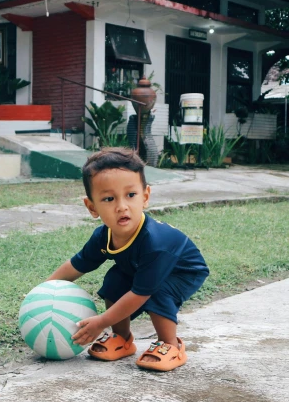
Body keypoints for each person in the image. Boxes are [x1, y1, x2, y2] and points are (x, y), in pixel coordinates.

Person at [46, 147, 209, 371]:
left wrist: (101, 322)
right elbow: (77, 265)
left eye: (130, 195)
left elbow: (141, 294)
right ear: (92, 207)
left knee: (157, 291)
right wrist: (45, 289)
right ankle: (122, 338)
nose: (122, 206)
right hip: (139, 268)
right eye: (109, 198)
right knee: (115, 279)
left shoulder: (155, 244)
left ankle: (170, 345)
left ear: (145, 197)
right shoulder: (103, 236)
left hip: (183, 271)